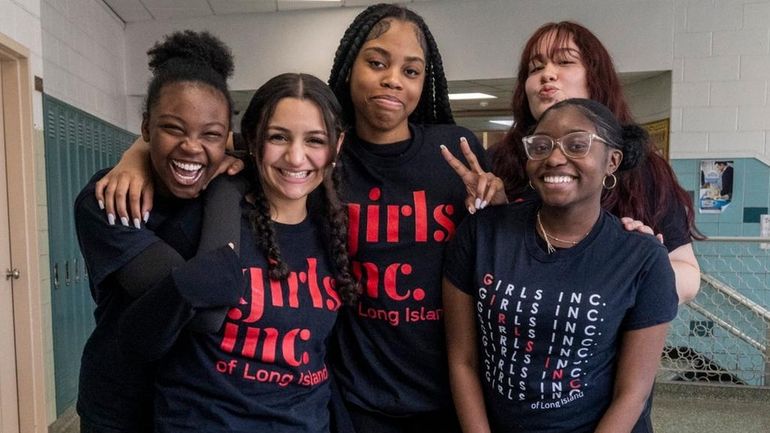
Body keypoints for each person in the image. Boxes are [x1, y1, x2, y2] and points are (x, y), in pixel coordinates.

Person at [94, 4, 503, 431]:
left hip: (440, 390)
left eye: (411, 70)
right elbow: (204, 138)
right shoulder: (296, 175)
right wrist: (137, 154)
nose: (392, 79)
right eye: (377, 62)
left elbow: (496, 244)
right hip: (355, 395)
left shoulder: (451, 151)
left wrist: (497, 201)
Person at [116, 72, 358, 432]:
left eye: (315, 140)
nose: (295, 157)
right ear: (253, 140)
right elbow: (139, 338)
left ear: (336, 146)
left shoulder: (335, 233)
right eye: (278, 137)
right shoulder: (201, 219)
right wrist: (134, 155)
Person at [443, 98, 678, 433]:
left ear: (612, 160)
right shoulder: (482, 234)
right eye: (541, 146)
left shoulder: (642, 258)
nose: (554, 158)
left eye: (577, 145)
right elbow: (462, 360)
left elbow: (632, 394)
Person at [75, 30, 241, 433]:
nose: (191, 146)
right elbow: (206, 306)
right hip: (121, 407)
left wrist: (224, 178)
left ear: (227, 139)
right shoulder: (107, 198)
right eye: (172, 128)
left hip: (200, 405)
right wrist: (226, 185)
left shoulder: (227, 185)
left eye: (211, 134)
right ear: (146, 128)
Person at [488, 21, 701, 303]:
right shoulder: (499, 164)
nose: (547, 75)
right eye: (535, 67)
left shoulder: (643, 170)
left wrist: (644, 259)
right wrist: (490, 213)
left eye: (565, 61)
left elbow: (687, 277)